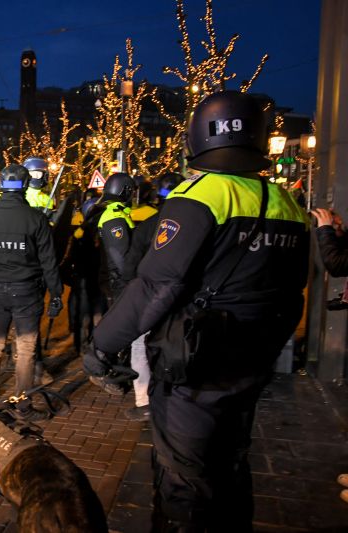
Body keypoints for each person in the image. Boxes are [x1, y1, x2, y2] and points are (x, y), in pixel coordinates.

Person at [87, 90, 310, 530]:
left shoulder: (200, 196)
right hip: (249, 366)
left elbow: (157, 284)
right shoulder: (288, 205)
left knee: (185, 480)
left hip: (195, 368)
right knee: (230, 466)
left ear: (199, 137)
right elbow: (292, 293)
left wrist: (100, 345)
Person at [0, 164, 63, 400]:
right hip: (27, 291)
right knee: (25, 348)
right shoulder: (36, 219)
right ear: (24, 186)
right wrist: (56, 294)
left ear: (1, 186)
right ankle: (22, 400)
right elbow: (48, 262)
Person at [117, 173, 184, 422]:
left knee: (140, 346)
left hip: (148, 296)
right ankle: (175, 398)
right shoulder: (198, 225)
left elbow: (130, 266)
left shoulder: (147, 224)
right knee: (176, 344)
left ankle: (144, 401)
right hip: (180, 299)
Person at [97, 172, 137, 303]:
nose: (133, 197)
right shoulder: (114, 217)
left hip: (118, 281)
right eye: (132, 192)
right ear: (125, 191)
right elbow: (120, 256)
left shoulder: (116, 212)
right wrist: (132, 280)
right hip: (120, 284)